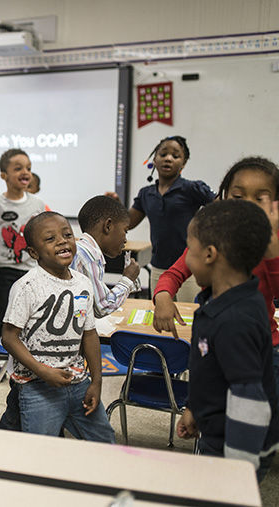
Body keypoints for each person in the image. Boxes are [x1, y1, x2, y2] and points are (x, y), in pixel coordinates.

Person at [153, 157, 279, 396]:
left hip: (262, 352)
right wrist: (162, 296)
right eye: (238, 197)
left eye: (260, 198)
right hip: (214, 348)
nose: (247, 205)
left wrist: (272, 247)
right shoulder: (210, 235)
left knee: (257, 422)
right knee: (210, 413)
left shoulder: (274, 241)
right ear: (223, 197)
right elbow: (174, 273)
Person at [176, 199, 279, 480]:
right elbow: (212, 371)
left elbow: (249, 400)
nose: (186, 258)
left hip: (235, 450)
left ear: (209, 254)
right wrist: (194, 408)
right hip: (215, 428)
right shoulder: (226, 300)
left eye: (190, 248)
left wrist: (236, 475)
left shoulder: (235, 320)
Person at [0, 211, 114, 442]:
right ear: (34, 252)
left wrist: (97, 382)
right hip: (37, 386)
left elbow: (89, 335)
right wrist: (41, 370)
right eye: (50, 239)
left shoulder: (83, 283)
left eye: (67, 235)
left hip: (78, 383)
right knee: (41, 451)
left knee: (105, 443)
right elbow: (9, 337)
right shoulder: (27, 286)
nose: (62, 241)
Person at [119, 136, 215, 302]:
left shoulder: (191, 188)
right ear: (154, 160)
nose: (168, 158)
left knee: (190, 317)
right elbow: (129, 222)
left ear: (183, 164)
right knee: (159, 317)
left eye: (175, 156)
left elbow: (222, 209)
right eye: (163, 154)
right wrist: (116, 205)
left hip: (189, 267)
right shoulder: (146, 194)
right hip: (158, 267)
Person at [0, 148, 45, 378]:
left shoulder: (37, 204)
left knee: (28, 318)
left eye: (28, 167)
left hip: (31, 271)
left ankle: (23, 359)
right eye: (18, 168)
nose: (25, 172)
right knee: (2, 317)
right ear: (3, 175)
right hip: (4, 271)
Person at [72, 195, 140, 317]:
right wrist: (128, 279)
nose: (125, 239)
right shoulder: (90, 257)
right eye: (125, 231)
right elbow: (103, 307)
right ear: (108, 226)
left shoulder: (80, 249)